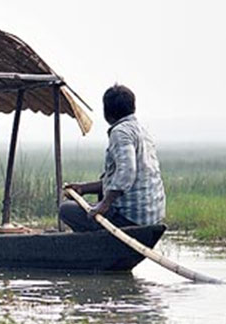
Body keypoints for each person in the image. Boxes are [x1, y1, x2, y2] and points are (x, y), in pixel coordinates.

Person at [60, 84, 166, 232]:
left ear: (107, 112)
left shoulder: (120, 132)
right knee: (82, 206)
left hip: (129, 218)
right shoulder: (141, 130)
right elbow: (118, 179)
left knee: (66, 210)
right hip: (150, 217)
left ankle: (96, 244)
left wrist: (104, 204)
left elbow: (126, 173)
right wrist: (83, 188)